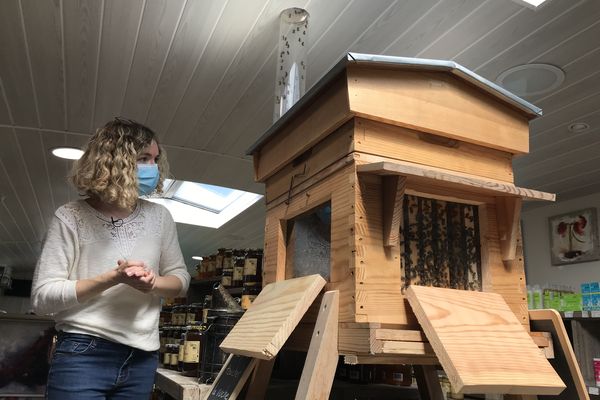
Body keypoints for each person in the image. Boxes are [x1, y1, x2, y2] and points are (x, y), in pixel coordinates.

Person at [31, 118, 191, 400]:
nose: (152, 167)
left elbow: (181, 280)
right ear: (115, 161)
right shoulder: (70, 217)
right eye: (144, 158)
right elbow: (43, 298)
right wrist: (112, 279)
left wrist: (152, 284)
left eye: (155, 159)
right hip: (82, 353)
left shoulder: (160, 218)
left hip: (143, 357)